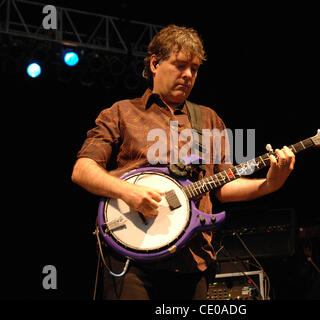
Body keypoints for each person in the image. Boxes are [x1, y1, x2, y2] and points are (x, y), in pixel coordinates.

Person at [71, 25, 295, 300]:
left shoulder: (209, 119)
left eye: (194, 69)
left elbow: (222, 187)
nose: (188, 75)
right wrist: (128, 192)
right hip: (132, 259)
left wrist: (270, 183)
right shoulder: (121, 112)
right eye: (179, 66)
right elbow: (83, 170)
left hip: (193, 260)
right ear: (154, 63)